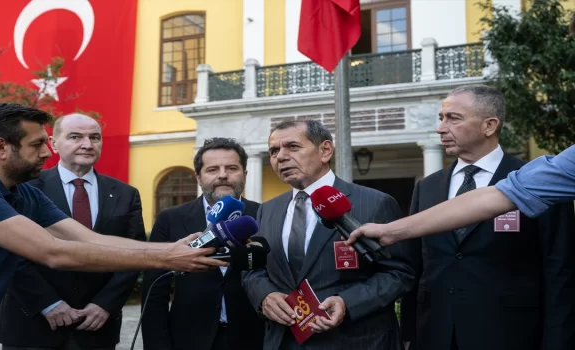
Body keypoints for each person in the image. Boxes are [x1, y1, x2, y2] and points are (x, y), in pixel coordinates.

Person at [0, 103, 226, 350]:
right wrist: (164, 259)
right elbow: (53, 252)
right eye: (37, 144)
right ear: (0, 148)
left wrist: (174, 248)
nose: (47, 153)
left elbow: (91, 239)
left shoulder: (24, 194)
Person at [397, 85, 575, 350]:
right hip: (436, 334)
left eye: (453, 118)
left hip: (511, 335)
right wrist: (408, 334)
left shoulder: (538, 182)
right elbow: (415, 266)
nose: (441, 128)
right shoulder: (428, 186)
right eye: (441, 118)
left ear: (489, 125)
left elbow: (560, 270)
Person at [242, 120, 417, 349]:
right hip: (284, 341)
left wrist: (348, 303)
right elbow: (253, 268)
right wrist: (264, 296)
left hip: (355, 340)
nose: (281, 157)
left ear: (325, 150)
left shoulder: (374, 203)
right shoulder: (267, 210)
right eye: (274, 150)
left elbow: (400, 272)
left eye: (293, 147)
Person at [0, 114, 146, 349]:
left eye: (94, 137)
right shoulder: (21, 189)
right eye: (76, 137)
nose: (87, 144)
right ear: (53, 144)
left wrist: (105, 304)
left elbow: (133, 257)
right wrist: (47, 303)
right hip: (31, 325)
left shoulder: (126, 194)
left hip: (96, 327)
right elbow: (8, 251)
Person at [141, 137, 265, 350]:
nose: (223, 175)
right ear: (198, 177)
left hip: (254, 338)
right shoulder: (170, 218)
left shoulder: (265, 214)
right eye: (213, 169)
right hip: (189, 339)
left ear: (245, 175)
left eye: (232, 168)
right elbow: (154, 292)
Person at [345, 143, 575, 247]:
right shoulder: (565, 166)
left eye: (453, 118)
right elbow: (491, 198)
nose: (441, 128)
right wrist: (390, 231)